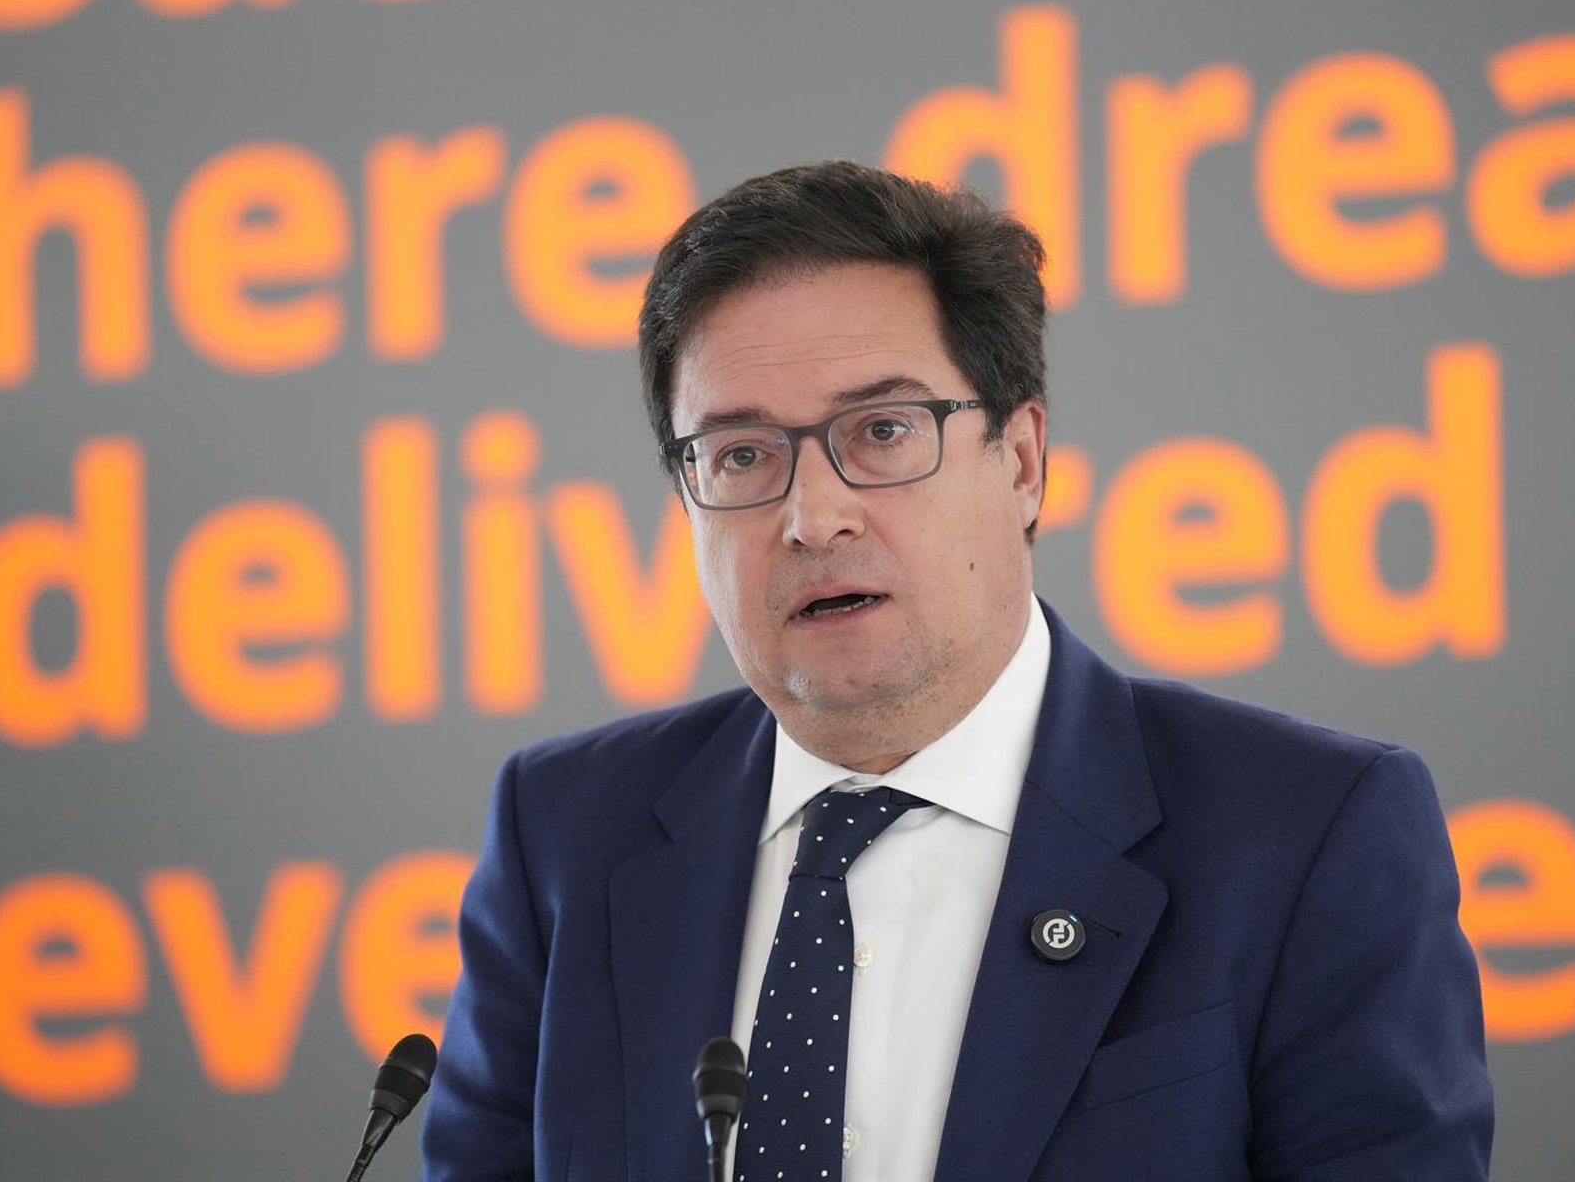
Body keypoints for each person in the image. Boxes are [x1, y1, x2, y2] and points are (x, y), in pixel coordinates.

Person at [420, 162, 1494, 1181]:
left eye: (882, 431)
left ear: (1021, 462)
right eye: (742, 454)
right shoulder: (564, 833)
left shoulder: (1305, 833)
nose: (812, 517)